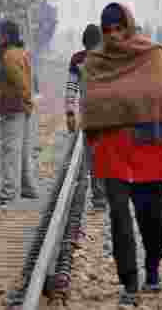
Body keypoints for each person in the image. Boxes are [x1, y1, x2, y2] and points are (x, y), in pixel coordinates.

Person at [81, 3, 162, 306]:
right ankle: (129, 281)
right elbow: (89, 103)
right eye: (109, 30)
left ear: (129, 26)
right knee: (119, 215)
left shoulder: (151, 54)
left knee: (152, 215)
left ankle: (153, 266)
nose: (115, 35)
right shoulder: (95, 62)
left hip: (149, 148)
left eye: (119, 28)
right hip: (112, 150)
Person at [0, 20, 39, 208]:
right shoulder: (21, 53)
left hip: (13, 108)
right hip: (22, 108)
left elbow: (21, 84)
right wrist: (28, 104)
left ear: (6, 36)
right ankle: (28, 187)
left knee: (10, 151)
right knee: (23, 150)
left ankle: (9, 192)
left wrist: (26, 102)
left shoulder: (9, 57)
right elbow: (30, 81)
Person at [66, 23, 107, 210]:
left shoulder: (77, 60)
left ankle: (99, 196)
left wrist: (70, 113)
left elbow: (71, 89)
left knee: (93, 156)